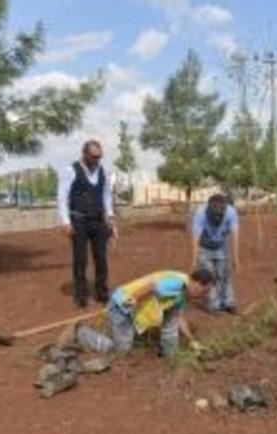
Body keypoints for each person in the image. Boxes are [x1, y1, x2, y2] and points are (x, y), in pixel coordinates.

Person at [73, 269, 216, 358]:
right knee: (120, 351)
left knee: (171, 318)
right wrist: (128, 304)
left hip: (132, 309)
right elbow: (151, 287)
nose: (202, 296)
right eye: (203, 291)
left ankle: (170, 353)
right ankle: (81, 333)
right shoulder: (177, 282)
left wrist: (192, 341)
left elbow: (177, 319)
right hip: (123, 305)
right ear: (195, 282)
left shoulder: (183, 295)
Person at [57, 140, 116, 309]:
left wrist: (110, 218)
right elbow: (62, 197)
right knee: (80, 260)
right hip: (78, 220)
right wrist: (65, 222)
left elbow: (106, 196)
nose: (97, 160)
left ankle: (102, 293)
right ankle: (81, 297)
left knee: (101, 258)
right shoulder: (71, 170)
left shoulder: (103, 171)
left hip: (98, 221)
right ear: (84, 154)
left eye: (99, 157)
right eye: (94, 157)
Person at [192, 193, 240, 314]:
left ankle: (228, 303)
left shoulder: (231, 212)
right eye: (215, 216)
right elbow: (195, 239)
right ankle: (213, 305)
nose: (217, 219)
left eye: (220, 216)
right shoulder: (200, 214)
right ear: (209, 211)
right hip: (204, 247)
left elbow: (235, 236)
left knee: (224, 274)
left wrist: (236, 259)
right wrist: (194, 260)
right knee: (209, 276)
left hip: (221, 247)